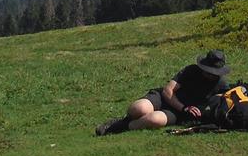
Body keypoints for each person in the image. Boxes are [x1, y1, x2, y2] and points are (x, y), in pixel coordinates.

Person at [95, 50, 231, 135]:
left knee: (155, 119)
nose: (212, 75)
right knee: (139, 108)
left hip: (179, 114)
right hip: (165, 99)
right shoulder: (191, 71)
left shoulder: (222, 85)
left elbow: (225, 103)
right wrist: (184, 107)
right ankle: (123, 119)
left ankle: (121, 126)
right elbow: (168, 90)